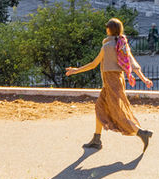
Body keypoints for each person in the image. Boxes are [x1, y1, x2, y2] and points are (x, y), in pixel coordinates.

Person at [64, 18, 154, 151]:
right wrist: (144, 79)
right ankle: (96, 139)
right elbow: (133, 64)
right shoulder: (123, 44)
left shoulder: (107, 46)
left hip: (111, 82)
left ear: (109, 30)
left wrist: (75, 70)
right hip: (117, 80)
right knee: (100, 107)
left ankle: (141, 133)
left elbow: (93, 64)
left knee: (118, 112)